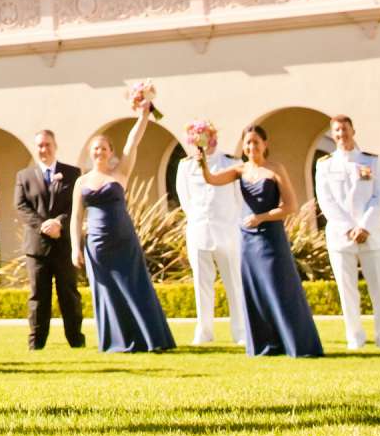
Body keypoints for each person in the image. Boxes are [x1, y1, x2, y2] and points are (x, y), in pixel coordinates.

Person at [195, 125, 323, 357]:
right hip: (248, 238)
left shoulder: (275, 169)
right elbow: (212, 180)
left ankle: (296, 342)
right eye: (247, 143)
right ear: (243, 146)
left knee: (279, 287)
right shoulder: (240, 170)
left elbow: (291, 206)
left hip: (271, 237)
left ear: (265, 144)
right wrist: (202, 158)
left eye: (255, 142)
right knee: (255, 289)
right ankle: (266, 344)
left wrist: (261, 217)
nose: (251, 146)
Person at [74, 126, 175, 354]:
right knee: (107, 292)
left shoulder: (120, 173)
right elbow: (76, 216)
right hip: (97, 244)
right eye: (95, 149)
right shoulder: (81, 182)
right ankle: (117, 341)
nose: (99, 152)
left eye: (103, 148)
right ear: (91, 153)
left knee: (136, 286)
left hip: (123, 240)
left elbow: (133, 141)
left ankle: (152, 339)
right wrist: (75, 248)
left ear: (111, 152)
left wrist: (144, 115)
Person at [314, 114, 380, 353]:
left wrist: (365, 226)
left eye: (345, 129)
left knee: (379, 289)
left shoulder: (371, 161)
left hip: (371, 234)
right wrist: (348, 228)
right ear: (332, 133)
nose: (341, 134)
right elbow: (325, 201)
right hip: (341, 236)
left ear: (353, 130)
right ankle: (355, 338)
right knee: (347, 291)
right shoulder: (325, 164)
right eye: (337, 130)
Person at [173, 123, 248, 349]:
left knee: (234, 283)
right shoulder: (185, 167)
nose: (201, 142)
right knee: (201, 284)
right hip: (199, 230)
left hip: (227, 231)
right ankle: (204, 331)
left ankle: (240, 330)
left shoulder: (232, 163)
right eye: (197, 138)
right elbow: (184, 199)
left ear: (214, 137)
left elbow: (240, 200)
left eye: (205, 137)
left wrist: (236, 225)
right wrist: (198, 221)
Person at [14, 129, 85, 350]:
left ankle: (75, 339)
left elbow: (76, 206)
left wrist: (59, 224)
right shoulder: (24, 176)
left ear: (55, 146)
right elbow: (21, 206)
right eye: (40, 146)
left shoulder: (72, 173)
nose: (43, 149)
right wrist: (43, 226)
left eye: (47, 145)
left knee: (69, 294)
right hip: (37, 246)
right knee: (38, 297)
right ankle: (36, 342)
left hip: (63, 244)